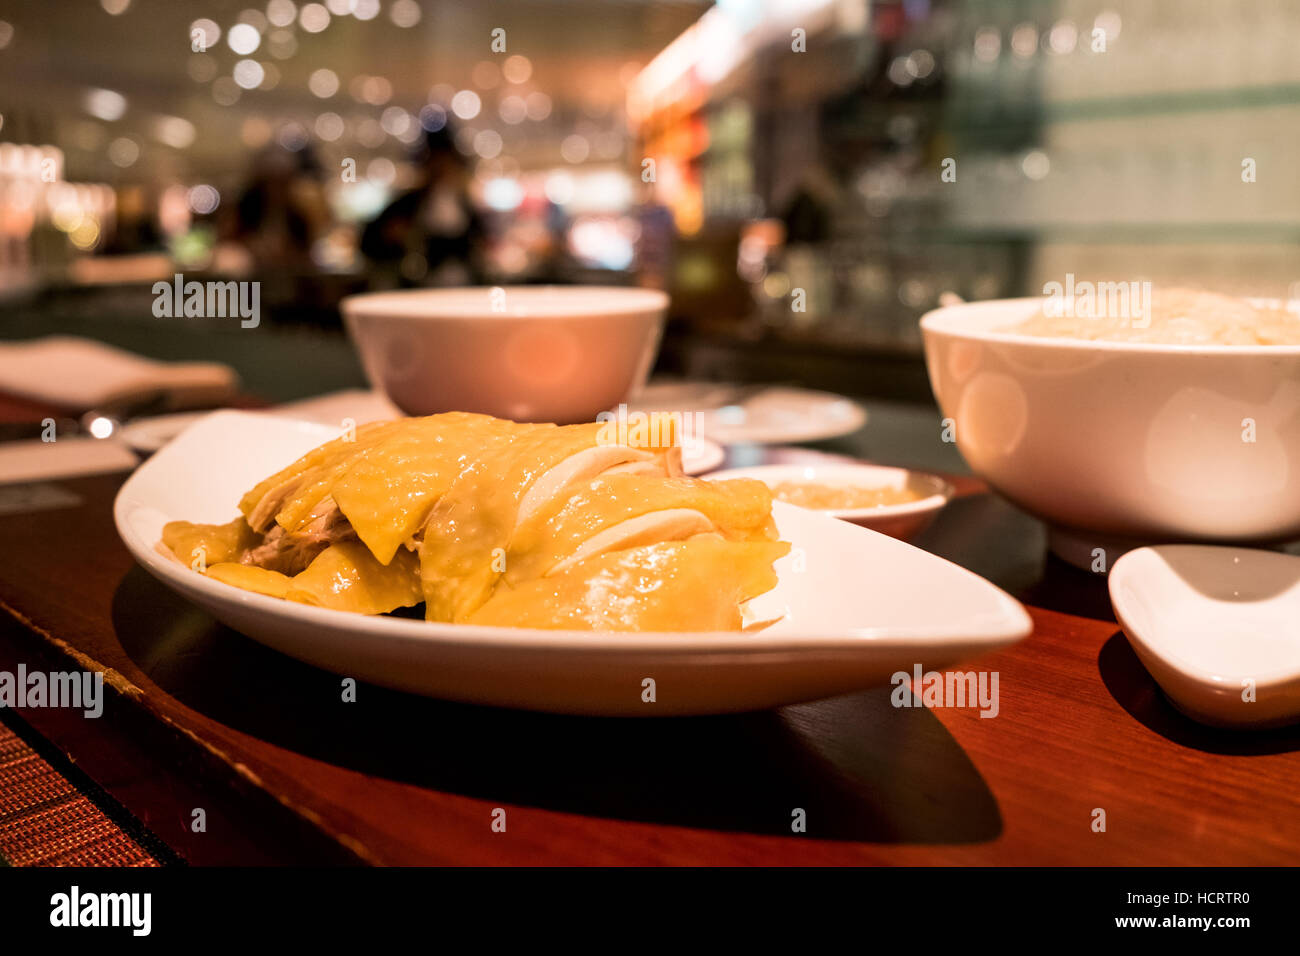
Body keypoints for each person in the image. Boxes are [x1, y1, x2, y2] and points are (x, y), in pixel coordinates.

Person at [360, 124, 484, 287]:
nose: (442, 168)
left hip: (462, 282)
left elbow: (478, 241)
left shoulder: (464, 203)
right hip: (418, 282)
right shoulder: (408, 203)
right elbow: (371, 240)